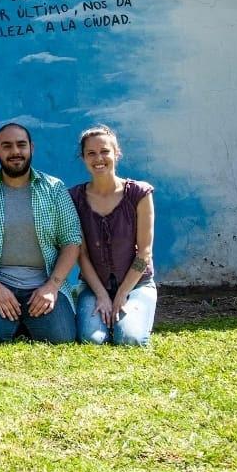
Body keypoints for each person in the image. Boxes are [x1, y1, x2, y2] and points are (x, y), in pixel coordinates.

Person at [0, 122, 81, 343]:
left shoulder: (54, 188)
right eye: (7, 146)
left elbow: (72, 241)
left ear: (31, 147)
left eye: (21, 145)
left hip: (43, 283)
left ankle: (23, 321)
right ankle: (17, 321)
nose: (15, 152)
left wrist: (52, 286)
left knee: (61, 337)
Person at [70, 125, 157, 346]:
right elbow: (82, 255)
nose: (99, 158)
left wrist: (121, 295)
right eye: (91, 153)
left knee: (130, 339)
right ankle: (96, 313)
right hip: (93, 286)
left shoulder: (139, 193)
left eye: (105, 151)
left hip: (136, 284)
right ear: (83, 158)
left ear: (116, 154)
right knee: (92, 341)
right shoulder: (75, 198)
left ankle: (128, 318)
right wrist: (101, 294)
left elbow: (145, 252)